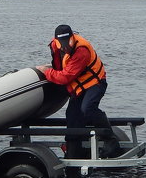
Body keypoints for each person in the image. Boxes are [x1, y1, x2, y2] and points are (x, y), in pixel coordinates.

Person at [37, 24, 120, 159]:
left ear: (72, 37)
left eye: (67, 42)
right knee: (72, 115)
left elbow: (65, 77)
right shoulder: (55, 46)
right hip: (78, 85)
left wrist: (47, 72)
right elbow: (60, 68)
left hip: (95, 82)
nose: (65, 47)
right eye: (61, 43)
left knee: (87, 108)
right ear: (56, 41)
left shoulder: (81, 50)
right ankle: (74, 150)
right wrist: (52, 74)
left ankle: (110, 139)